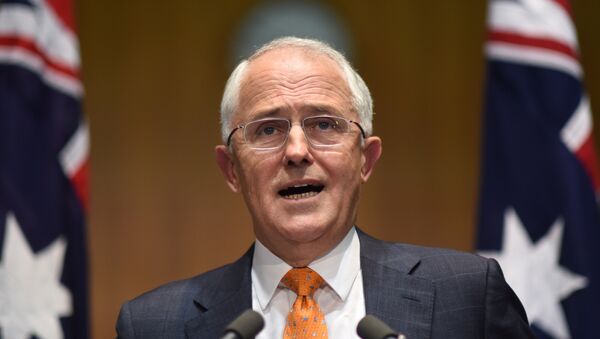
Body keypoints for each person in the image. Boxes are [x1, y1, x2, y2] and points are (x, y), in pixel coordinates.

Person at [116, 37, 534, 339]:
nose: (297, 151)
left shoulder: (467, 297)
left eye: (325, 125)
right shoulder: (154, 324)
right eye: (267, 129)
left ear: (366, 159)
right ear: (231, 170)